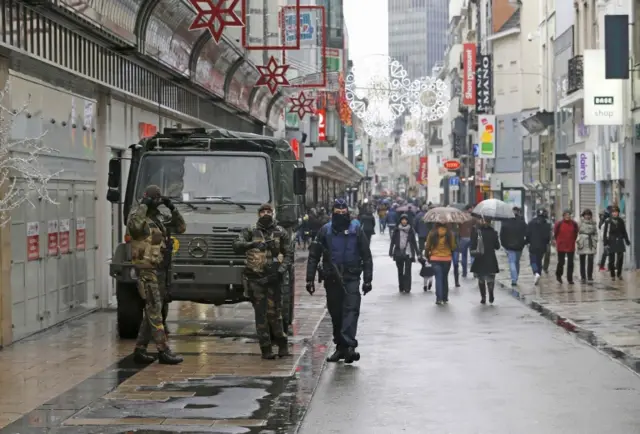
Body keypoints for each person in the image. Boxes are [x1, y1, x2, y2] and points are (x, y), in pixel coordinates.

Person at [306, 198, 373, 364]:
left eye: (344, 213)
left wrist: (367, 279)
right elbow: (314, 256)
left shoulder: (356, 229)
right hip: (331, 278)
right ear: (333, 213)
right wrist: (309, 279)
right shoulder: (325, 230)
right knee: (335, 313)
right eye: (338, 213)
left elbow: (366, 255)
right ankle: (340, 347)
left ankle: (349, 346)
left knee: (351, 310)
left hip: (351, 277)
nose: (341, 215)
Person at [127, 185, 185, 365]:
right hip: (146, 270)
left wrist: (172, 207)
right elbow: (135, 228)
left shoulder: (159, 219)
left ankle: (140, 349)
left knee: (156, 309)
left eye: (159, 198)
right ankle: (163, 350)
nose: (157, 201)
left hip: (160, 270)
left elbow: (181, 227)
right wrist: (144, 205)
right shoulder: (138, 216)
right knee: (154, 309)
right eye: (154, 198)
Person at [233, 203, 294, 359]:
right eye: (263, 212)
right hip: (256, 280)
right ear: (258, 214)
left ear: (273, 214)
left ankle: (282, 345)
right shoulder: (250, 231)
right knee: (261, 315)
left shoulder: (281, 232)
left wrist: (281, 271)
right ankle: (266, 349)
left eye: (269, 211)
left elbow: (289, 254)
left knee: (275, 314)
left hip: (274, 280)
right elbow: (237, 246)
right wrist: (252, 244)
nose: (266, 214)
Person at [470, 217, 501, 304]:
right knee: (491, 278)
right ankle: (491, 292)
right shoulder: (493, 232)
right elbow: (497, 247)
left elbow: (473, 245)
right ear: (490, 222)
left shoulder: (478, 232)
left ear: (483, 222)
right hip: (491, 258)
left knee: (481, 279)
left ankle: (483, 297)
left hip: (480, 258)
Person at [425, 223, 456, 305]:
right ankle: (445, 298)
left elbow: (427, 246)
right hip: (446, 259)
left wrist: (427, 255)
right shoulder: (450, 233)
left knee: (438, 278)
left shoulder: (432, 233)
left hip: (435, 259)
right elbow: (453, 246)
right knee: (445, 278)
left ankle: (439, 298)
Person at [389, 214, 420, 293]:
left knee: (408, 271)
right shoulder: (396, 230)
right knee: (400, 271)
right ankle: (401, 286)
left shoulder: (411, 230)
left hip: (408, 253)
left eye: (405, 219)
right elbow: (392, 241)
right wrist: (390, 251)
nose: (404, 221)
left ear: (407, 221)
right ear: (400, 221)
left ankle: (407, 288)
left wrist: (417, 252)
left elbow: (414, 242)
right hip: (398, 252)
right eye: (402, 219)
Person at [499, 206, 528, 286]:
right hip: (519, 246)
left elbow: (502, 235)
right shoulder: (522, 222)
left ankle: (514, 279)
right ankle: (516, 277)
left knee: (512, 262)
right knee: (516, 262)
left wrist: (504, 244)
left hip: (509, 246)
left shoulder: (506, 222)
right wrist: (524, 242)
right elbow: (527, 233)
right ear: (518, 212)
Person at [602, 206, 630, 280]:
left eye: (616, 212)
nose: (615, 213)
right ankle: (612, 275)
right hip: (611, 241)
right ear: (611, 213)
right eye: (613, 212)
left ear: (618, 213)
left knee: (620, 258)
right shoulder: (608, 221)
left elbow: (624, 231)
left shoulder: (621, 221)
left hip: (620, 240)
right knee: (611, 260)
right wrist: (605, 243)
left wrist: (626, 240)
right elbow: (605, 233)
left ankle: (619, 274)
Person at [526, 209, 552, 285]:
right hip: (542, 246)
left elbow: (527, 234)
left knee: (533, 261)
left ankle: (536, 273)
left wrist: (527, 242)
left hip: (533, 245)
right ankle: (538, 273)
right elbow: (548, 237)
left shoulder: (531, 223)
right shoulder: (547, 224)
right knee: (539, 261)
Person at [554, 210, 579, 284]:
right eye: (566, 215)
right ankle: (558, 275)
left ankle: (570, 279)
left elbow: (576, 233)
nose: (567, 216)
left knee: (570, 263)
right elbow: (555, 234)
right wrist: (558, 241)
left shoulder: (574, 224)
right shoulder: (559, 224)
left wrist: (572, 241)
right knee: (561, 262)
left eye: (569, 215)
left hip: (570, 245)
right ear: (563, 216)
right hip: (561, 245)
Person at [452, 204, 475, 285]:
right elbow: (476, 226)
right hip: (471, 238)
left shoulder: (461, 218)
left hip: (462, 238)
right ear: (469, 209)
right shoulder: (472, 217)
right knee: (472, 255)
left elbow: (457, 227)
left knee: (464, 256)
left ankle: (464, 272)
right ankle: (474, 271)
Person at [576, 209, 598, 283]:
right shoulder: (580, 223)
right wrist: (578, 240)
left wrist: (595, 240)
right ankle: (583, 276)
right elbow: (576, 232)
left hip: (591, 242)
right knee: (582, 260)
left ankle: (590, 276)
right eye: (586, 215)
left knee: (590, 259)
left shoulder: (593, 223)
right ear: (583, 215)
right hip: (582, 242)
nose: (587, 216)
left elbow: (595, 232)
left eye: (589, 215)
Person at [598, 205, 613, 271]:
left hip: (606, 236)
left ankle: (603, 266)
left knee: (607, 251)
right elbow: (601, 227)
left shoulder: (603, 216)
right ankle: (606, 266)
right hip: (606, 237)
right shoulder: (606, 218)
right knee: (608, 251)